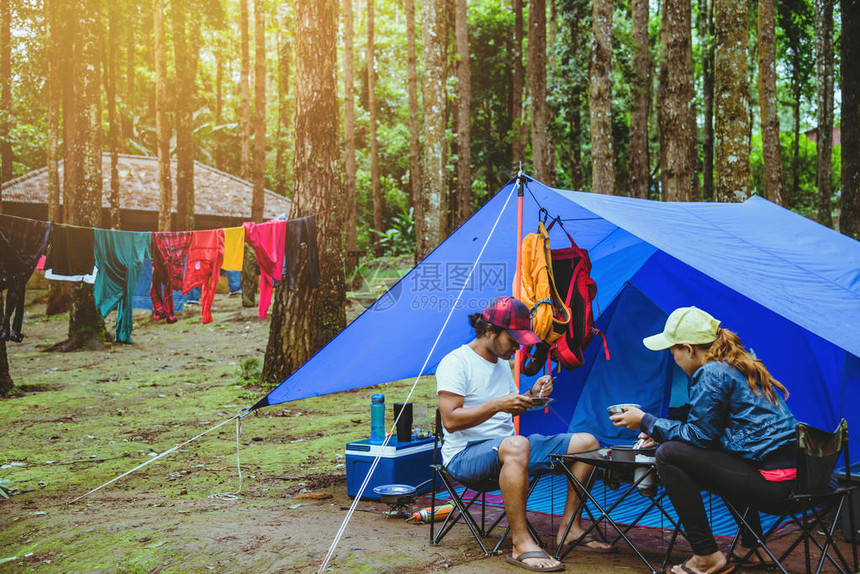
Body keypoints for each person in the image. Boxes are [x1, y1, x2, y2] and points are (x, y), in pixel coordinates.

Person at [610, 307, 797, 574]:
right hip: (798, 479)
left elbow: (700, 436)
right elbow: (714, 433)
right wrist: (657, 430)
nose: (672, 357)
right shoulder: (739, 365)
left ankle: (706, 555)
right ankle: (751, 547)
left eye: (672, 350)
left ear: (688, 348)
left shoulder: (711, 372)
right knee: (707, 456)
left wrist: (646, 421)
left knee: (669, 455)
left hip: (773, 486)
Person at [436, 296, 611, 572]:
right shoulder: (455, 362)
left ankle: (571, 527)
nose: (518, 347)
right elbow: (450, 420)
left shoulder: (500, 363)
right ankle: (521, 543)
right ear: (490, 330)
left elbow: (506, 409)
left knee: (586, 443)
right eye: (513, 339)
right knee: (517, 445)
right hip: (465, 455)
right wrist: (499, 404)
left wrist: (530, 396)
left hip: (508, 450)